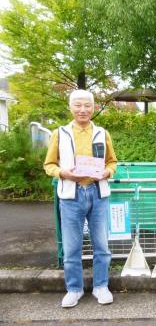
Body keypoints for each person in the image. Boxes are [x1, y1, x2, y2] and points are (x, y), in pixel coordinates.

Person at [44, 89, 117, 308]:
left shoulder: (103, 133)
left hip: (98, 192)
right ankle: (74, 289)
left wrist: (108, 172)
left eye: (87, 105)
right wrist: (63, 173)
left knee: (102, 245)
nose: (83, 109)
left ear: (93, 108)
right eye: (78, 105)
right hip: (71, 194)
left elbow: (113, 162)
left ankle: (101, 286)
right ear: (71, 107)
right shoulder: (60, 133)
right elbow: (49, 165)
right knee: (72, 246)